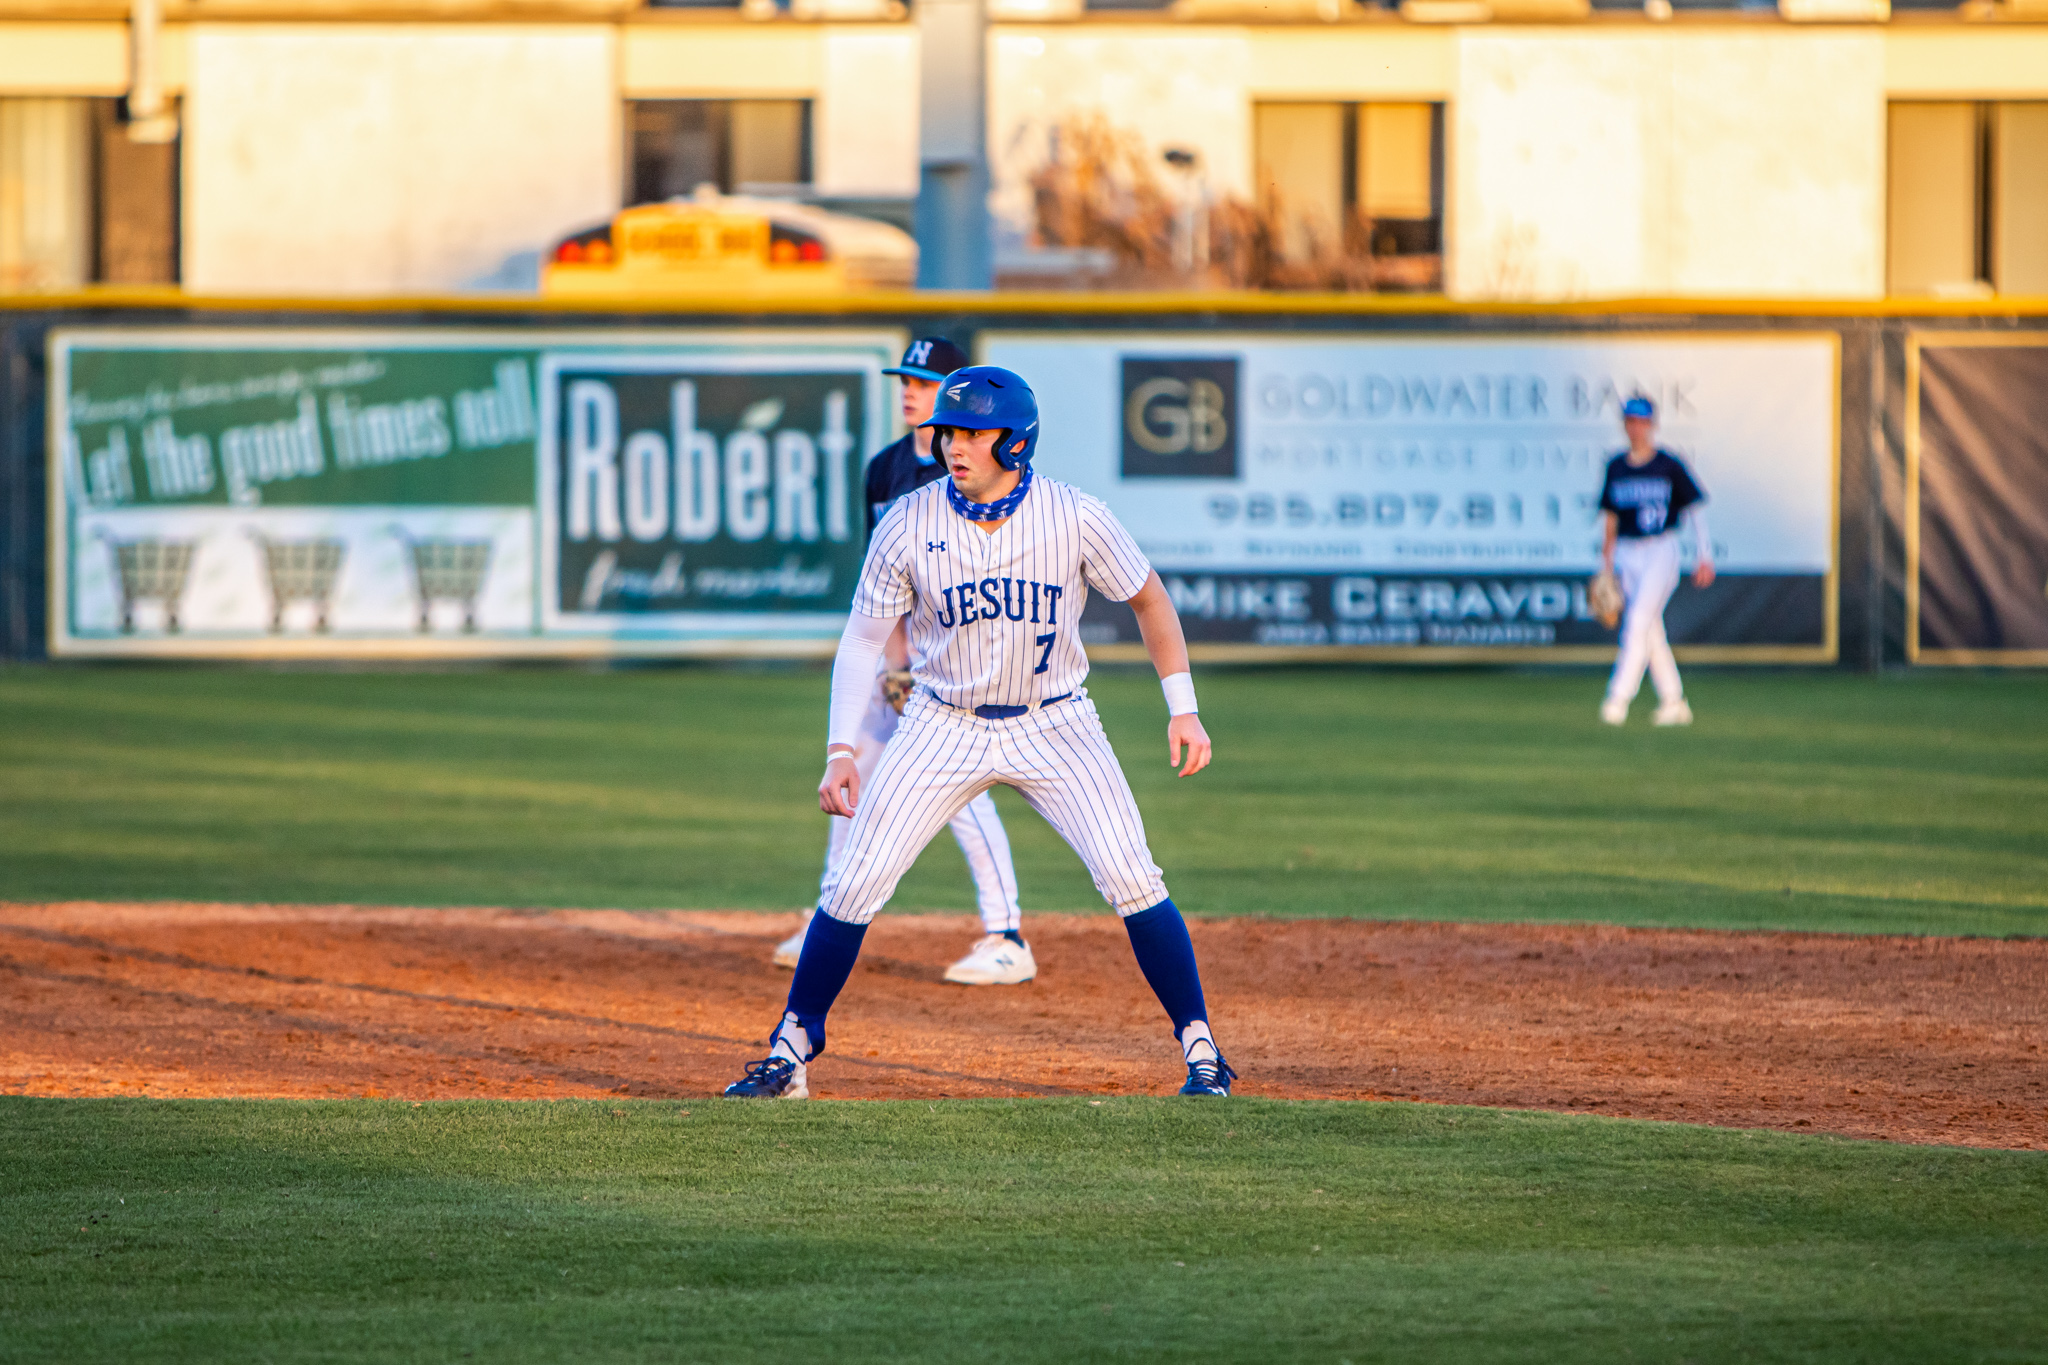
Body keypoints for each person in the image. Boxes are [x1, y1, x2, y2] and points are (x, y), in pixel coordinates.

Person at [725, 365, 1234, 1100]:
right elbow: (862, 641)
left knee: (1132, 876)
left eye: (971, 432)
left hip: (1056, 721)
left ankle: (1202, 1050)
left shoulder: (1074, 515)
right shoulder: (908, 520)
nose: (952, 444)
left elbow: (1150, 600)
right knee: (855, 880)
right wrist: (840, 749)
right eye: (948, 431)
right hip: (942, 722)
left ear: (1015, 442)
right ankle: (791, 1049)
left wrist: (1182, 705)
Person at [771, 337, 1034, 987]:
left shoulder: (965, 475)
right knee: (851, 775)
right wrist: (893, 665)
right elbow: (880, 579)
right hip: (895, 659)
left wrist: (920, 667)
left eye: (925, 382)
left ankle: (1006, 934)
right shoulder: (885, 468)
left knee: (960, 794)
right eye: (906, 381)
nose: (911, 392)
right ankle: (830, 913)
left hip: (950, 664)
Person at [1597, 394, 1715, 726]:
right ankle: (1674, 702)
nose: (1635, 428)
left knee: (1637, 622)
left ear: (1652, 425)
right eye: (1630, 422)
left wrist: (1704, 555)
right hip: (1627, 552)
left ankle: (1618, 698)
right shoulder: (1616, 466)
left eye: (1641, 422)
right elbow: (1610, 518)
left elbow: (1694, 509)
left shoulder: (1668, 464)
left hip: (1661, 549)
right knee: (1650, 631)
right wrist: (1606, 565)